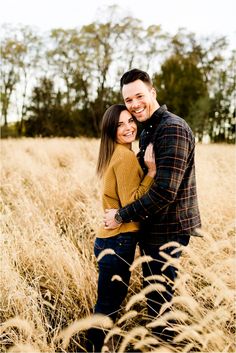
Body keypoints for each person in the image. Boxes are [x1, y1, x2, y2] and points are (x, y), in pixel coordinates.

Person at [104, 68, 202, 342]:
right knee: (155, 300)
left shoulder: (172, 128)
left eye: (139, 96)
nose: (134, 105)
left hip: (167, 231)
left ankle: (165, 345)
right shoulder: (148, 128)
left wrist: (121, 215)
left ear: (152, 92)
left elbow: (164, 192)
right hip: (152, 228)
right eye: (128, 101)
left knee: (160, 307)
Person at [86, 104, 156, 352]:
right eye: (120, 125)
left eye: (130, 121)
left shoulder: (114, 153)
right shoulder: (124, 156)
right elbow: (132, 202)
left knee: (107, 305)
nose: (129, 127)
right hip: (118, 241)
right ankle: (93, 348)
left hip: (109, 240)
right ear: (111, 131)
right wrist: (152, 172)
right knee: (107, 308)